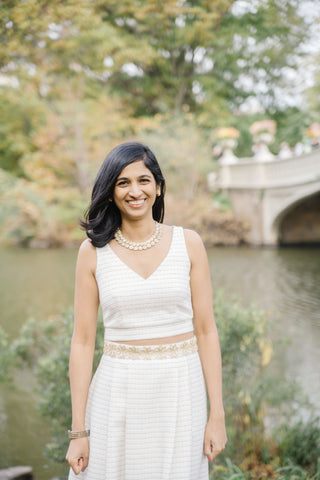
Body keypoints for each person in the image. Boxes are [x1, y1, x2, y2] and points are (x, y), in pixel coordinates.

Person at [65, 142, 227, 480]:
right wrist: (78, 432)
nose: (135, 191)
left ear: (158, 187)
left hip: (182, 391)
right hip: (117, 393)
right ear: (109, 193)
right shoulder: (92, 252)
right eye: (123, 183)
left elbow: (207, 330)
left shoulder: (190, 243)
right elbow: (82, 342)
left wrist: (217, 415)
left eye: (144, 180)